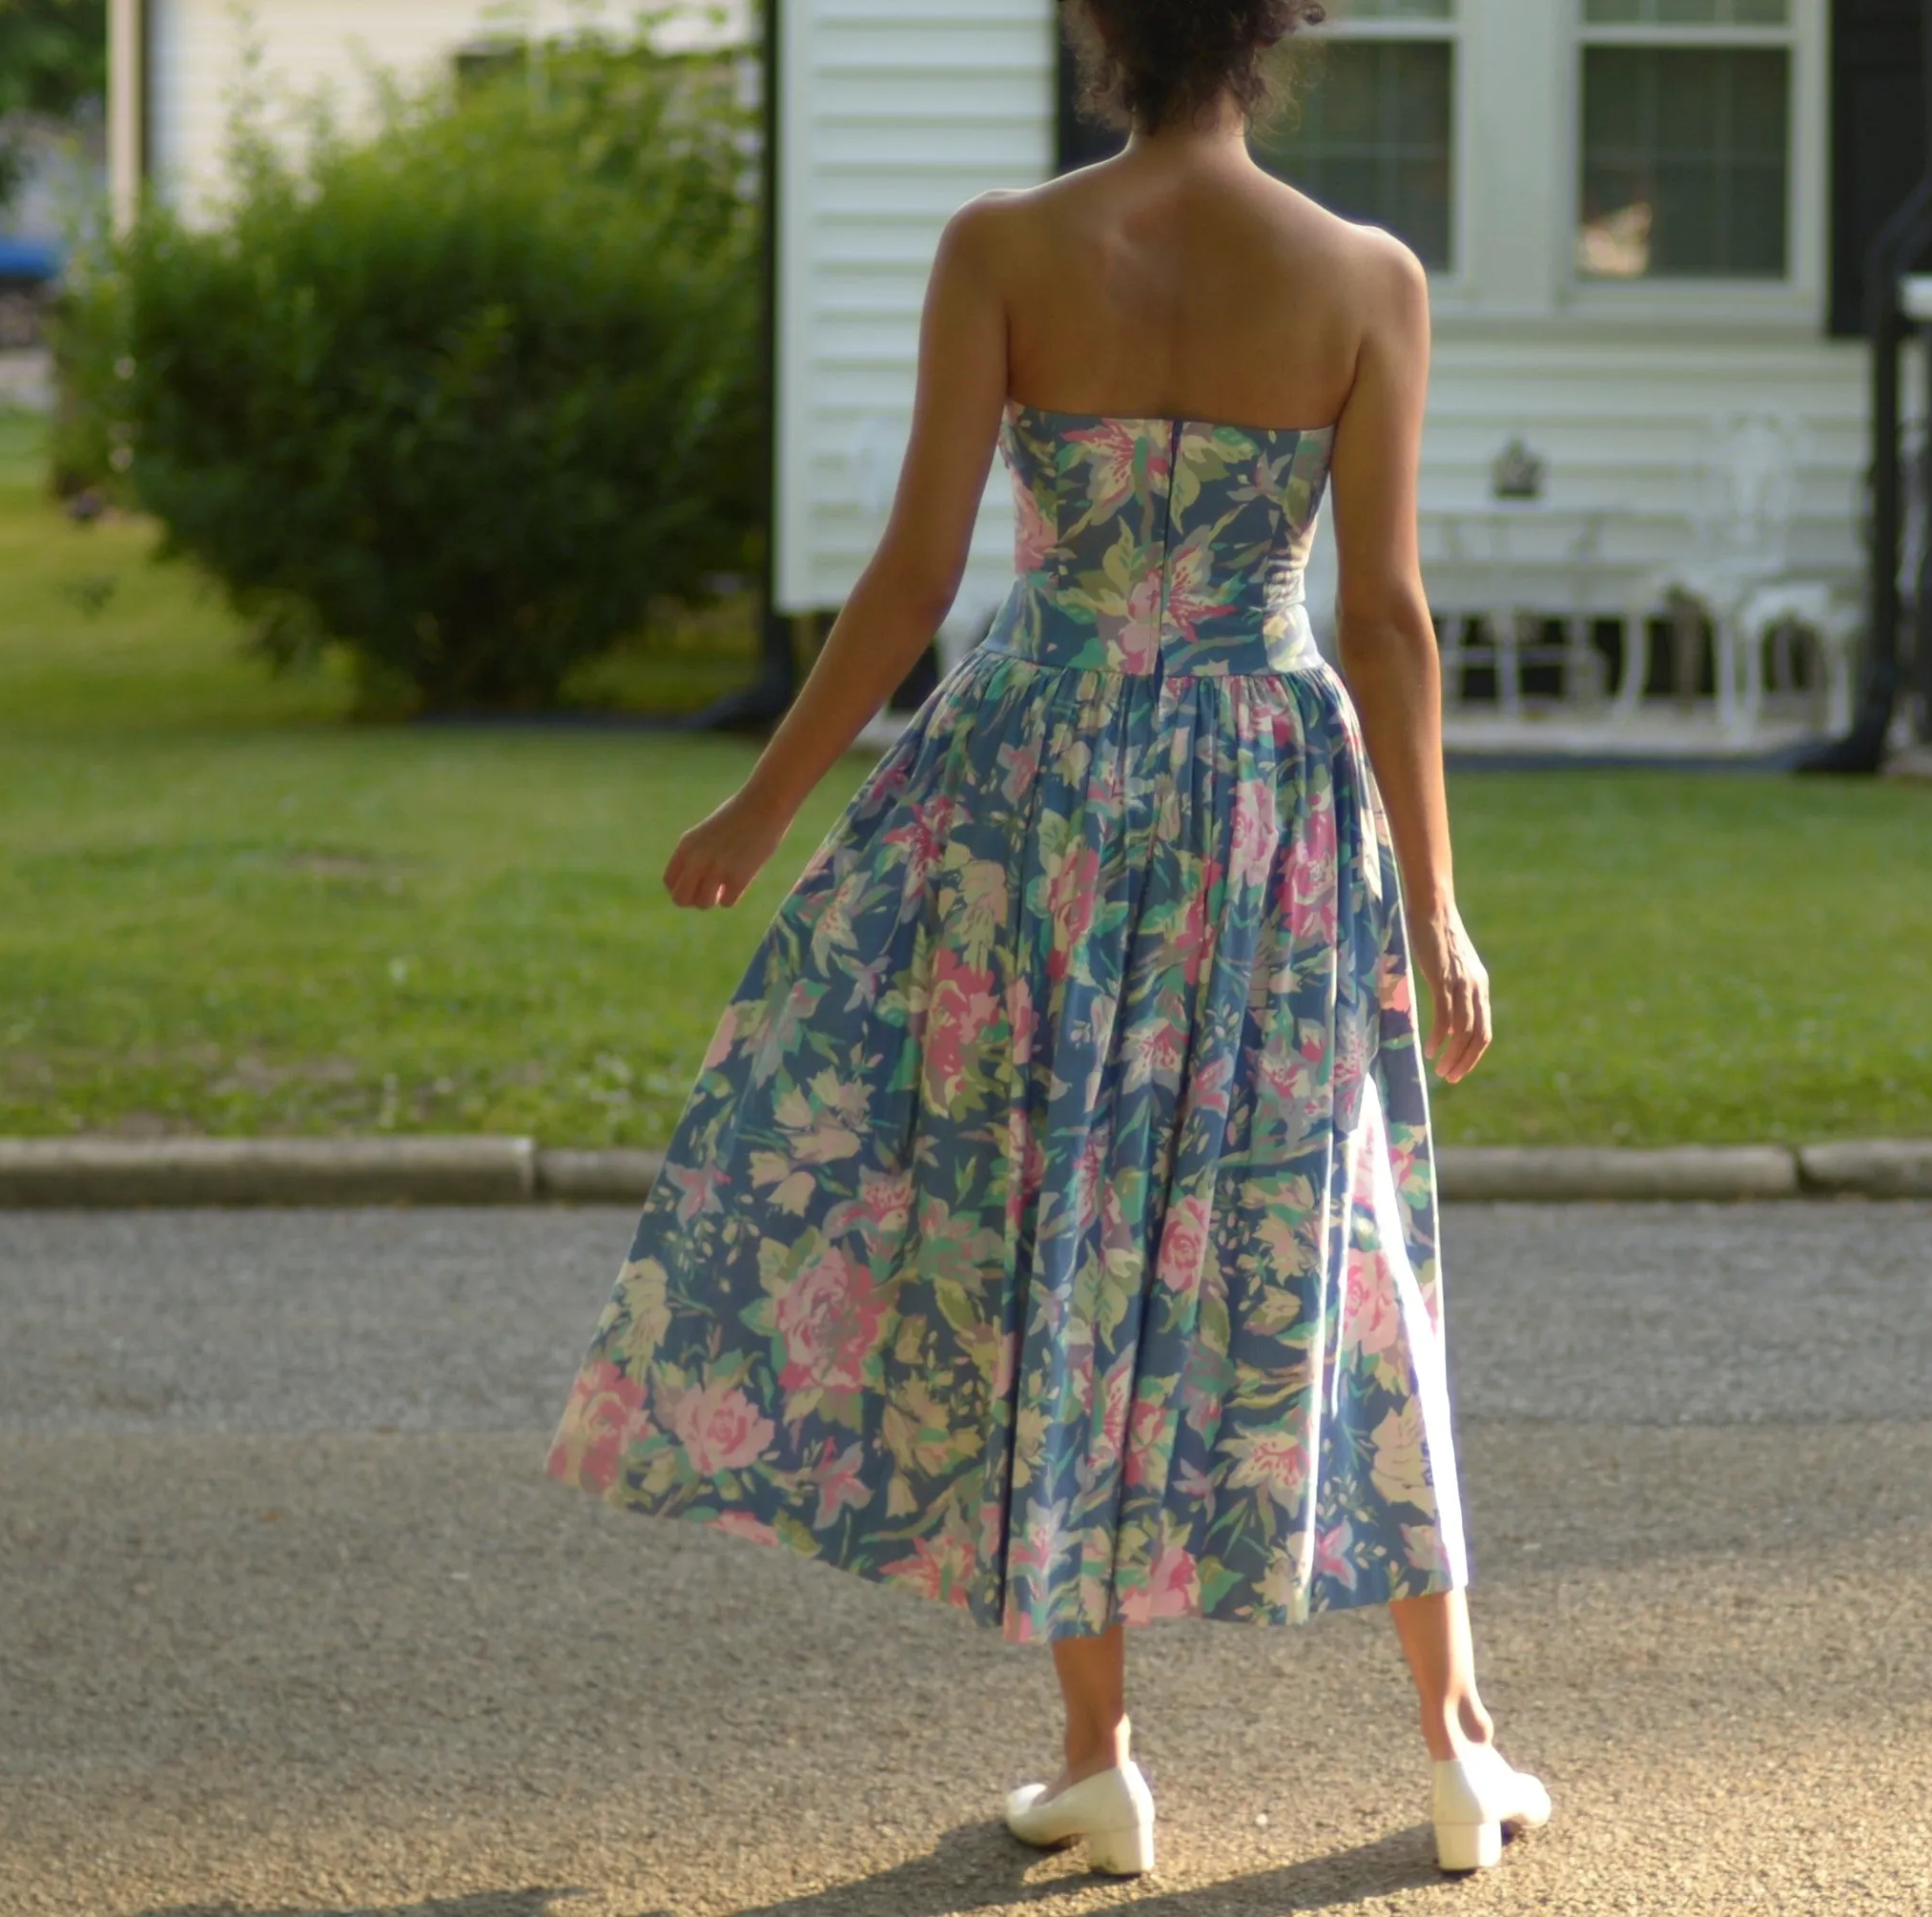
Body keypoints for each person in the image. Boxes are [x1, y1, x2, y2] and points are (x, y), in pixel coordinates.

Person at [543, 0, 1548, 1878]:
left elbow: (917, 574)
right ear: (1274, 39)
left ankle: (1099, 1756)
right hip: (1262, 795)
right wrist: (1436, 903)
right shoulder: (1362, 277)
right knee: (1330, 1226)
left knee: (1052, 1214)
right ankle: (1452, 1744)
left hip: (1041, 787)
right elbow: (1391, 615)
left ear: (1101, 33)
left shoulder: (1002, 248)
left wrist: (757, 813)